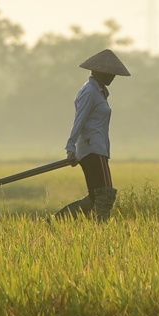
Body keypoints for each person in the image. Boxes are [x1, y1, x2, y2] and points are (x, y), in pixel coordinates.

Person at [58, 48, 129, 220]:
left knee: (95, 198)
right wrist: (70, 148)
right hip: (92, 149)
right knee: (105, 195)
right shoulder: (90, 91)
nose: (113, 77)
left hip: (98, 148)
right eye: (111, 74)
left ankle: (56, 222)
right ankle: (99, 228)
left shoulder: (98, 92)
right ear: (101, 72)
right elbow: (79, 120)